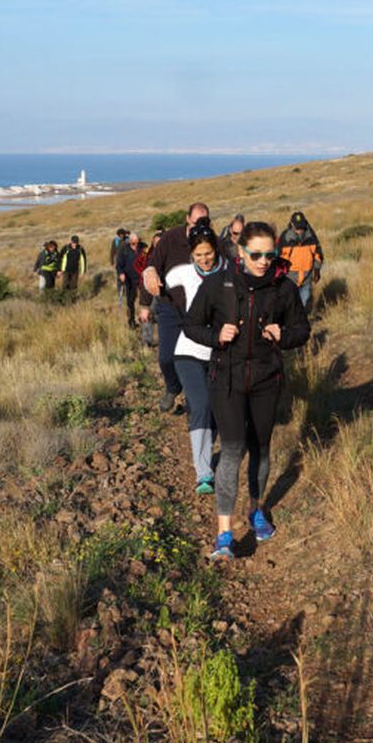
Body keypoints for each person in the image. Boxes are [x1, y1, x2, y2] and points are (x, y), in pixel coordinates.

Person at [182, 221, 310, 559]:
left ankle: (255, 509)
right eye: (257, 254)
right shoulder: (218, 285)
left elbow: (303, 330)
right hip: (227, 379)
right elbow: (191, 324)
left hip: (267, 380)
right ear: (241, 253)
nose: (264, 260)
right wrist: (215, 336)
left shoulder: (284, 288)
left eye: (271, 254)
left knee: (261, 448)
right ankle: (224, 534)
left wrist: (284, 334)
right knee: (234, 450)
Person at [165, 228, 225, 494]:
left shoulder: (229, 274)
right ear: (191, 254)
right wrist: (149, 274)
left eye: (208, 253)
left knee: (216, 406)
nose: (204, 259)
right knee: (199, 404)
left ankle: (210, 447)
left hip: (219, 352)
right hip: (187, 351)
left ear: (216, 250)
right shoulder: (184, 273)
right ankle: (204, 473)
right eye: (198, 254)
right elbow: (162, 278)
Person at [142, 203, 212, 412]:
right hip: (170, 307)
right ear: (186, 218)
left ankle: (195, 403)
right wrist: (145, 304)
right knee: (166, 358)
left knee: (197, 359)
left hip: (199, 311)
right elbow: (151, 266)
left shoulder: (211, 241)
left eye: (204, 221)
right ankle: (173, 387)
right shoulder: (171, 238)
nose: (200, 225)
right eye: (196, 221)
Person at [278, 211, 324, 309]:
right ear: (292, 225)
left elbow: (318, 255)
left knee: (304, 302)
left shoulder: (311, 236)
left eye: (302, 227)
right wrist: (280, 274)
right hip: (290, 278)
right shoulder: (286, 237)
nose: (300, 230)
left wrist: (316, 270)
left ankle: (299, 321)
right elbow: (281, 257)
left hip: (306, 277)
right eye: (297, 228)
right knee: (290, 303)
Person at [117, 231, 147, 327]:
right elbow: (119, 265)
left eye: (137, 242)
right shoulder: (124, 250)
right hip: (129, 278)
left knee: (145, 300)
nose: (136, 244)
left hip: (142, 277)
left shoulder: (143, 248)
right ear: (130, 241)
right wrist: (121, 273)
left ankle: (145, 319)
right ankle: (131, 320)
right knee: (130, 300)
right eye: (134, 242)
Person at [109, 227, 130, 308]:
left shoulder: (127, 240)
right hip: (118, 263)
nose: (121, 236)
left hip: (127, 262)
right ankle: (120, 293)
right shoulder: (115, 241)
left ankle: (127, 291)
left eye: (122, 234)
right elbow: (112, 251)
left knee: (127, 277)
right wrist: (112, 261)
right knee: (119, 278)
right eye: (120, 235)